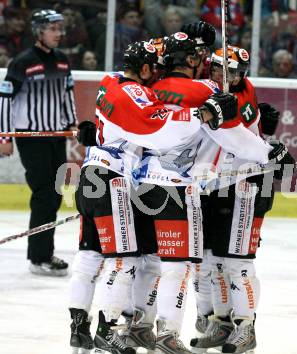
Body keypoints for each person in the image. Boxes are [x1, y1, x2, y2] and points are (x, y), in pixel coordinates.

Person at [69, 38, 238, 354]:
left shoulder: (108, 82)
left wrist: (93, 129)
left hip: (92, 172)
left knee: (89, 258)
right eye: (153, 68)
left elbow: (113, 122)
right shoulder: (137, 92)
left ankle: (79, 331)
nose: (156, 75)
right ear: (144, 68)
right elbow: (160, 127)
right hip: (116, 178)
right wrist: (203, 114)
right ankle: (108, 331)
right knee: (125, 261)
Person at [190, 45, 292, 354]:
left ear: (242, 75)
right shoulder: (215, 93)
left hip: (247, 185)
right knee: (214, 261)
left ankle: (246, 327)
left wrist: (270, 151)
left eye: (231, 72)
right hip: (219, 187)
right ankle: (221, 323)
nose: (224, 76)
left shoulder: (240, 98)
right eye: (219, 69)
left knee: (238, 263)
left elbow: (235, 136)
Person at [0, 9, 77, 276]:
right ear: (39, 32)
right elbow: (5, 100)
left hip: (56, 137)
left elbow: (67, 96)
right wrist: (4, 136)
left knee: (54, 192)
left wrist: (72, 124)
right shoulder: (22, 62)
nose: (58, 33)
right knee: (44, 194)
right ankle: (39, 256)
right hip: (32, 138)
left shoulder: (63, 61)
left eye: (60, 29)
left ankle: (43, 253)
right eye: (53, 29)